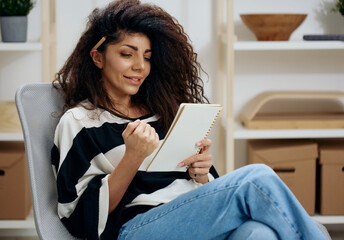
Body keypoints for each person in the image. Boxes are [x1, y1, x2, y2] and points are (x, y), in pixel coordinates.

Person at [51, 0, 328, 239]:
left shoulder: (161, 111)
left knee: (259, 234)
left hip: (190, 217)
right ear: (98, 57)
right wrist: (132, 158)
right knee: (256, 178)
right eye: (127, 54)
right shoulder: (79, 121)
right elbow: (78, 218)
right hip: (137, 229)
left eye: (147, 57)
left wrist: (203, 174)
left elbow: (201, 189)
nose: (139, 67)